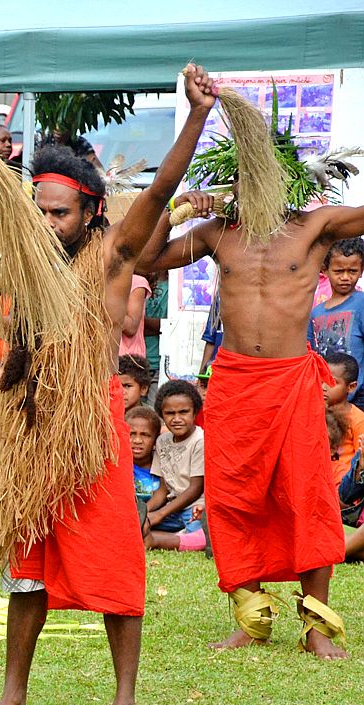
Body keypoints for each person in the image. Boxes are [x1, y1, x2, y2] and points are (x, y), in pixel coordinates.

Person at [0, 65, 220, 705]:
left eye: (60, 212)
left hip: (90, 426)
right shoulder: (18, 260)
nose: (47, 223)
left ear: (90, 212)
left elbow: (160, 190)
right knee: (27, 567)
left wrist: (192, 115)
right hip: (26, 424)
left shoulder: (113, 255)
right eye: (38, 211)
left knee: (114, 559)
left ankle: (123, 699)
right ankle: (11, 696)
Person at [144, 142, 364, 661]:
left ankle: (315, 627)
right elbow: (149, 258)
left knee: (306, 498)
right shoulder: (219, 233)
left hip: (292, 381)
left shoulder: (314, 227)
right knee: (232, 499)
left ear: (287, 182)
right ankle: (252, 619)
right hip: (235, 382)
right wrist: (175, 209)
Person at [143, 381, 206, 550]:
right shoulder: (162, 441)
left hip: (196, 507)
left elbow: (196, 488)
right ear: (162, 416)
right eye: (170, 413)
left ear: (195, 413)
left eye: (183, 412)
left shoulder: (200, 440)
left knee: (203, 535)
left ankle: (157, 540)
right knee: (140, 524)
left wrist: (160, 514)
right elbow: (163, 490)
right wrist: (146, 513)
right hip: (172, 508)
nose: (177, 419)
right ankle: (163, 534)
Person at [307, 240, 364, 402]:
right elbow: (310, 352)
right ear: (324, 270)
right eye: (339, 271)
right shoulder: (316, 312)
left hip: (358, 395)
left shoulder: (361, 304)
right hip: (325, 395)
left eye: (352, 271)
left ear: (361, 271)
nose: (345, 277)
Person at [324, 352, 364, 485]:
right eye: (321, 379)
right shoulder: (314, 412)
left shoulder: (358, 419)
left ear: (351, 387)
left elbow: (361, 462)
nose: (323, 387)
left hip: (343, 488)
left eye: (332, 382)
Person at [125, 405, 161, 516]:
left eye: (145, 435)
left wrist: (142, 514)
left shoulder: (163, 465)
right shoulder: (118, 467)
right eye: (132, 434)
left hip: (155, 518)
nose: (137, 440)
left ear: (156, 439)